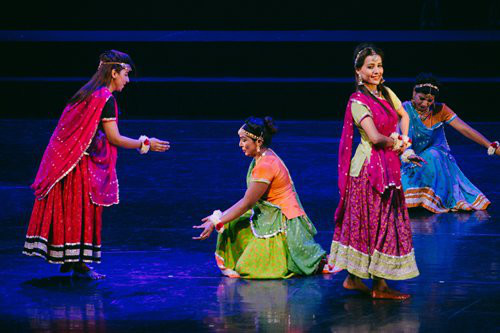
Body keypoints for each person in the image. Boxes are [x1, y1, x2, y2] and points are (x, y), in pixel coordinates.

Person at [22, 50, 170, 279]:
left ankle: (72, 260)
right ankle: (78, 263)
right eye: (126, 74)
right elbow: (115, 138)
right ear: (113, 72)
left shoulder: (87, 93)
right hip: (78, 165)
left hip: (66, 161)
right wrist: (146, 143)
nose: (127, 80)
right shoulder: (105, 99)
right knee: (82, 210)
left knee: (74, 210)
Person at [327, 44, 422, 300]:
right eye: (370, 66)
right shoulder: (358, 101)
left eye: (379, 65)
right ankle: (377, 286)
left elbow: (404, 115)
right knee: (375, 224)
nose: (376, 70)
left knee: (380, 222)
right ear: (358, 71)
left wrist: (402, 137)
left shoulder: (385, 93)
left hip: (387, 166)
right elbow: (375, 137)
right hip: (368, 170)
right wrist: (398, 143)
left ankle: (354, 279)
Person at [193, 116, 326, 279]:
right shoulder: (263, 157)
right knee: (230, 222)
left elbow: (247, 202)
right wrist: (218, 218)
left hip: (282, 223)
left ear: (259, 141)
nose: (240, 145)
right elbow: (246, 200)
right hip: (268, 215)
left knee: (249, 267)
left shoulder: (266, 165)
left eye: (244, 140)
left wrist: (216, 222)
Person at [401, 73, 498, 213]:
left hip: (435, 158)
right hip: (408, 155)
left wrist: (490, 145)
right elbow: (398, 136)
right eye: (421, 99)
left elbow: (464, 129)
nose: (425, 104)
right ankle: (417, 196)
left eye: (430, 100)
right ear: (413, 92)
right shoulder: (404, 109)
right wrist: (406, 153)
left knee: (433, 154)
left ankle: (437, 198)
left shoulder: (440, 110)